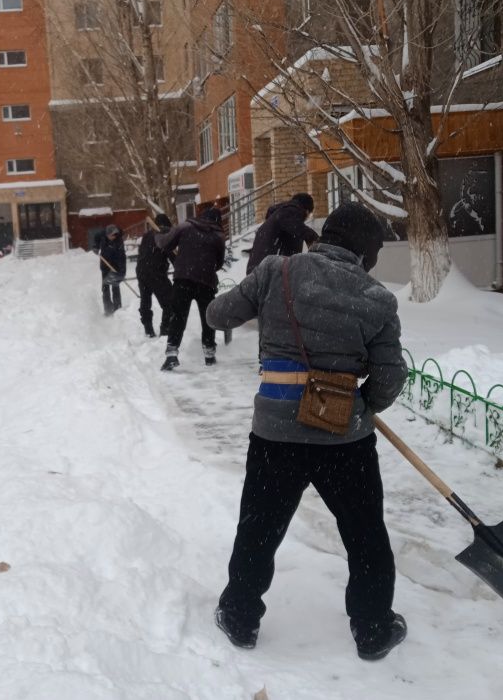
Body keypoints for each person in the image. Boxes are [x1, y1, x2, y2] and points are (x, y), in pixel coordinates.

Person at [205, 201, 408, 660]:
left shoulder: (277, 271)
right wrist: (359, 409)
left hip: (275, 435)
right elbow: (390, 376)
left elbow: (218, 315)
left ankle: (239, 618)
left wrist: (260, 299)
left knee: (259, 528)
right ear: (365, 252)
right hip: (344, 440)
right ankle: (374, 628)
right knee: (365, 535)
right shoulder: (377, 298)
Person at [156, 207, 226, 370]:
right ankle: (209, 354)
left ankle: (171, 354)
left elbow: (165, 244)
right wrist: (205, 265)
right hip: (206, 281)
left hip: (183, 279)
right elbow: (220, 262)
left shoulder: (185, 226)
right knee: (207, 317)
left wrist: (159, 235)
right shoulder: (218, 235)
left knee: (178, 316)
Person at [245, 193, 319, 275]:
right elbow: (294, 225)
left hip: (258, 272)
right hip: (267, 273)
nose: (307, 218)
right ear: (307, 210)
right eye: (309, 214)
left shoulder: (276, 218)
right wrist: (313, 237)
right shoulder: (290, 212)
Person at [136, 213, 174, 337]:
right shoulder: (165, 235)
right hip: (156, 273)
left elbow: (142, 252)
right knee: (170, 302)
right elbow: (172, 255)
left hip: (142, 272)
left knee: (145, 301)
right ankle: (165, 329)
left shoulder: (147, 235)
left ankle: (148, 330)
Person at [95, 224, 126, 316]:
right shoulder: (102, 236)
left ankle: (117, 308)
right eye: (110, 235)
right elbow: (96, 238)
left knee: (115, 287)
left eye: (114, 235)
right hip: (105, 266)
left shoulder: (119, 242)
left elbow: (121, 257)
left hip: (115, 267)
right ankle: (108, 310)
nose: (112, 237)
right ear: (107, 234)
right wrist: (95, 247)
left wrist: (121, 270)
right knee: (105, 288)